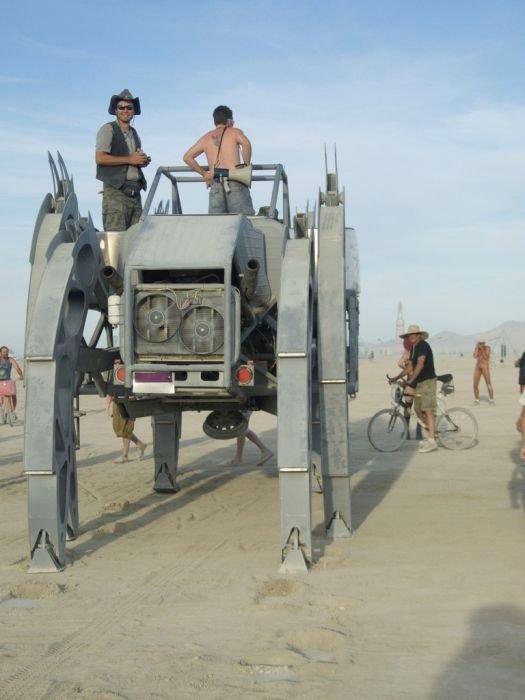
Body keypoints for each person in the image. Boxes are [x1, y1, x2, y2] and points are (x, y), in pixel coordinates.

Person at [95, 89, 151, 231]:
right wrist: (130, 159)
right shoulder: (108, 129)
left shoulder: (134, 133)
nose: (125, 110)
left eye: (129, 108)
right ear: (115, 110)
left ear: (133, 111)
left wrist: (141, 161)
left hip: (135, 193)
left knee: (136, 242)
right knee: (116, 241)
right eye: (121, 107)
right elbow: (100, 158)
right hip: (116, 193)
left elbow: (131, 160)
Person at [183, 105, 255, 215]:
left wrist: (205, 174)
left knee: (217, 224)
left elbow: (187, 157)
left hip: (216, 183)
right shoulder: (234, 132)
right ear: (229, 121)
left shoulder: (205, 137)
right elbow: (246, 144)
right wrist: (246, 165)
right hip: (235, 179)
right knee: (244, 221)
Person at [400, 324, 438, 453]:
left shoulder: (422, 346)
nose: (411, 337)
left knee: (427, 410)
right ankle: (431, 434)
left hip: (428, 381)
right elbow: (410, 367)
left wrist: (411, 380)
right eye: (409, 335)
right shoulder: (414, 348)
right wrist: (396, 378)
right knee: (417, 410)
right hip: (420, 382)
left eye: (413, 334)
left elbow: (420, 364)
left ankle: (432, 440)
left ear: (419, 335)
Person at [107, 395, 147, 464]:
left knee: (126, 427)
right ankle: (140, 444)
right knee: (119, 428)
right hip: (116, 398)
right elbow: (110, 386)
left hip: (129, 398)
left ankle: (125, 455)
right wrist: (109, 403)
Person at [0, 345, 24, 411]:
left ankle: (12, 411)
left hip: (8, 381)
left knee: (13, 396)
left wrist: (21, 375)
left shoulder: (10, 359)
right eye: (4, 352)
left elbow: (17, 368)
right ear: (0, 353)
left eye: (7, 352)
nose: (6, 353)